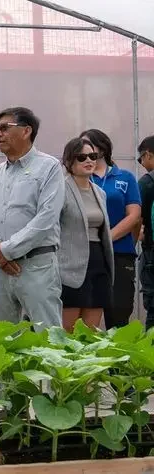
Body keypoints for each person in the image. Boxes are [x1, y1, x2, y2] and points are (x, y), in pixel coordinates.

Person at [0, 107, 65, 331]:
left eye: (5, 128)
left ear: (26, 131)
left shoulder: (49, 167)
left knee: (48, 337)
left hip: (36, 265)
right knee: (4, 338)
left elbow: (46, 218)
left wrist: (6, 251)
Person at [79, 129, 141, 329]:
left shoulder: (125, 177)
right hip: (86, 254)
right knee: (86, 313)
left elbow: (134, 215)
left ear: (102, 148)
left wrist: (108, 238)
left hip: (120, 254)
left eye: (89, 145)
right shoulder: (79, 179)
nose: (84, 151)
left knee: (119, 311)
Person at [58, 138, 114, 332]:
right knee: (68, 331)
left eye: (93, 156)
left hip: (98, 261)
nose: (89, 161)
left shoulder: (100, 192)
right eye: (82, 157)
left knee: (92, 333)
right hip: (69, 264)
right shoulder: (60, 189)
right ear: (69, 161)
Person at [137, 135, 154, 330]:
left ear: (148, 154)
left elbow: (136, 218)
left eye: (141, 158)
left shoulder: (148, 182)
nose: (141, 163)